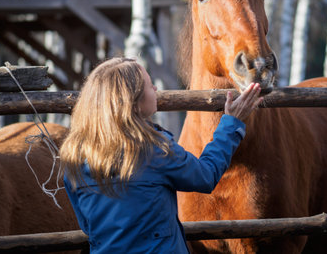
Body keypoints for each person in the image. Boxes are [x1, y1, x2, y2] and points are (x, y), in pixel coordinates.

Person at [59, 57, 263, 253]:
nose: (156, 89)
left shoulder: (74, 158)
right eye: (149, 85)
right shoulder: (155, 150)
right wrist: (232, 122)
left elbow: (88, 225)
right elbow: (206, 176)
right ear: (133, 102)